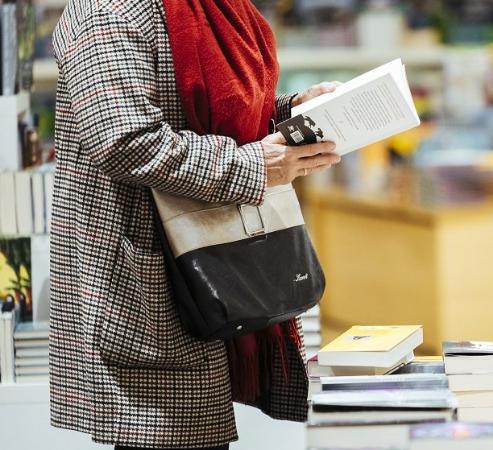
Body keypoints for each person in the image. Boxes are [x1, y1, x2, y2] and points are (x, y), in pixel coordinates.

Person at [48, 0, 341, 448]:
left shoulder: (214, 8)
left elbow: (204, 108)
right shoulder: (107, 11)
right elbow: (125, 140)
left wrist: (290, 112)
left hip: (209, 257)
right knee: (165, 433)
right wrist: (254, 166)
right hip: (148, 279)